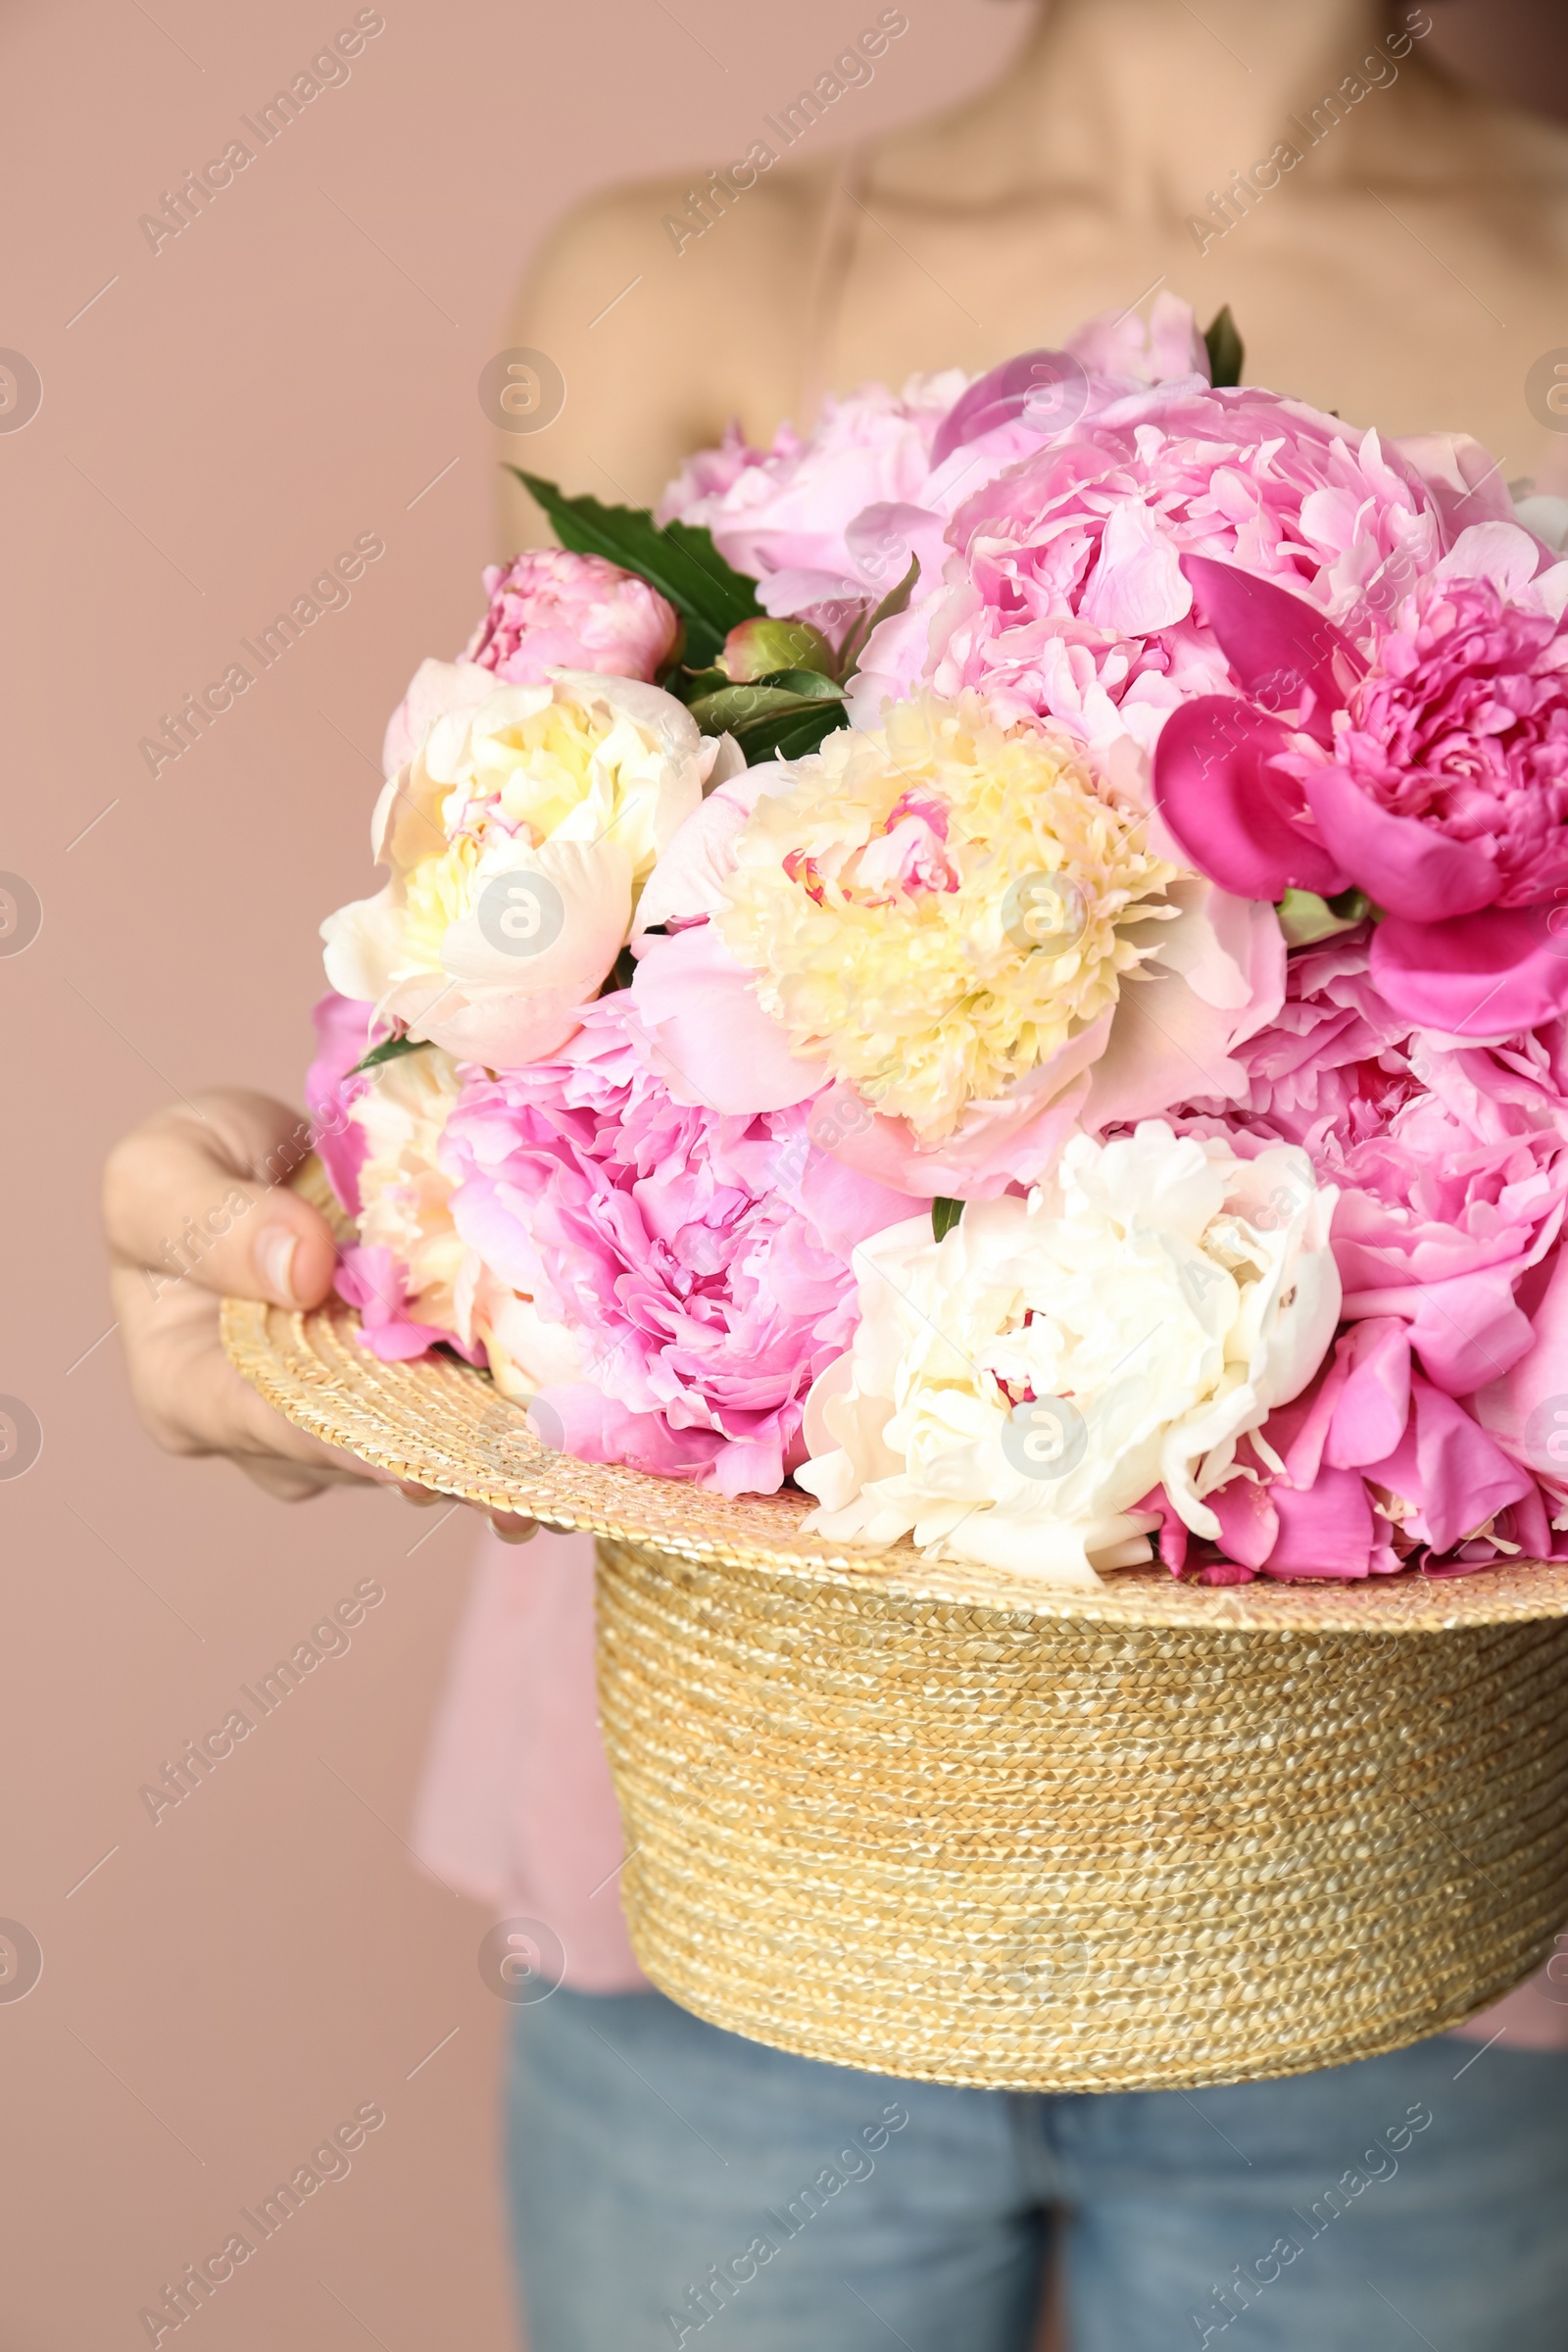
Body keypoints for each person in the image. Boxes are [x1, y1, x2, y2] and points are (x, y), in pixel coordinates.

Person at [104, 2, 1568, 2345]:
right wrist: (328, 1242)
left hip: (1400, 1885)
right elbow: (510, 1014)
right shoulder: (673, 289)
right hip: (735, 1853)